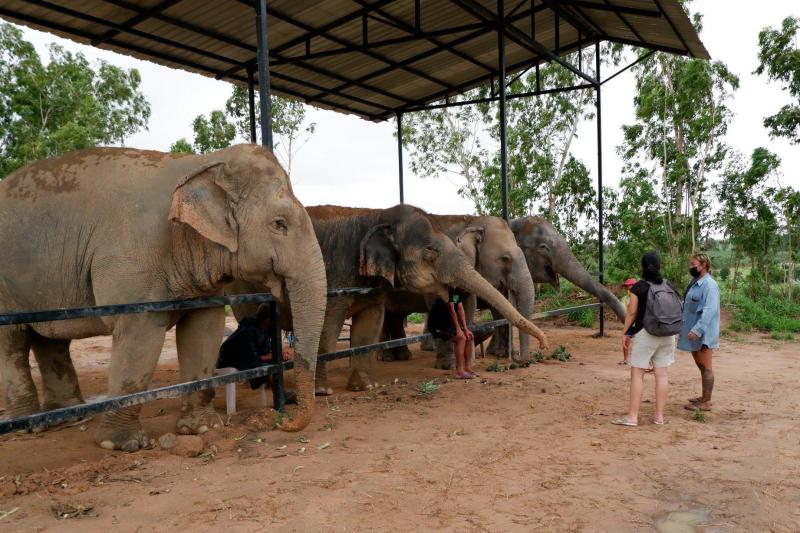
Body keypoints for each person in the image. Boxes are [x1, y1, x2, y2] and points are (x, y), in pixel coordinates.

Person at [613, 252, 680, 427]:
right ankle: (659, 417)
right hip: (668, 334)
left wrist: (626, 332)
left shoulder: (638, 287)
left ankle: (632, 417)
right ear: (659, 266)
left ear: (642, 266)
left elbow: (632, 312)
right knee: (662, 374)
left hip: (646, 334)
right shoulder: (668, 285)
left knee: (637, 374)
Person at [217, 304, 294, 398]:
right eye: (274, 318)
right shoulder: (249, 330)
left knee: (275, 361)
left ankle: (280, 394)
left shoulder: (262, 329)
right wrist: (272, 356)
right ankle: (280, 396)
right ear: (267, 319)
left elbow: (264, 351)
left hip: (243, 358)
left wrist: (279, 355)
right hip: (228, 360)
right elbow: (251, 356)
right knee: (269, 367)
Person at [678, 253, 720, 412]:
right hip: (694, 332)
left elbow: (709, 310)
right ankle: (704, 397)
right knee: (702, 366)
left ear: (703, 265)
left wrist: (697, 329)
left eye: (693, 264)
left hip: (703, 335)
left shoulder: (709, 285)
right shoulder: (696, 283)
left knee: (706, 367)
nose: (690, 267)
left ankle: (706, 403)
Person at [427, 286, 480, 379]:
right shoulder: (446, 291)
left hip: (448, 323)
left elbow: (460, 309)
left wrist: (465, 329)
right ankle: (459, 371)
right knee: (461, 338)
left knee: (469, 337)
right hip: (438, 325)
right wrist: (458, 329)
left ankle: (467, 368)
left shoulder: (457, 292)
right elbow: (451, 310)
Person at [619, 278, 637, 366]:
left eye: (629, 286)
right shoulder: (624, 299)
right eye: (626, 286)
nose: (627, 288)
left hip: (639, 324)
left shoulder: (640, 298)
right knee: (626, 340)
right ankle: (625, 359)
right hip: (629, 323)